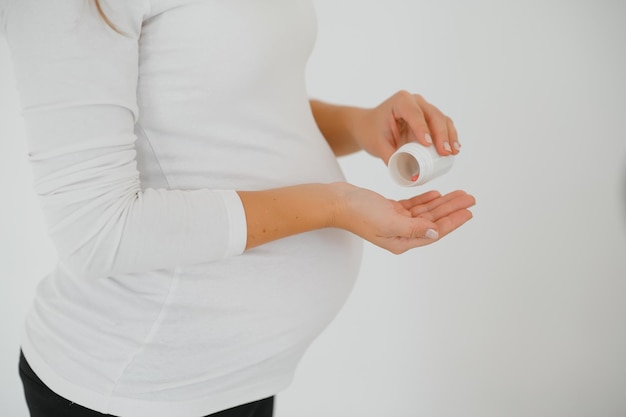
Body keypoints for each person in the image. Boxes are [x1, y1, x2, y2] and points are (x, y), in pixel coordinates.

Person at [1, 0, 475, 416]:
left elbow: (237, 109)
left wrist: (360, 124)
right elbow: (99, 233)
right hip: (139, 388)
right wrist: (335, 205)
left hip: (243, 376)